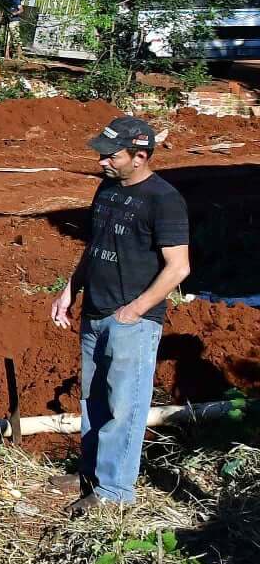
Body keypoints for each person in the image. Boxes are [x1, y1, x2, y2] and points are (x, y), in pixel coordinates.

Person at [49, 116, 190, 517]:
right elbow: (94, 246)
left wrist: (135, 310)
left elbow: (178, 267)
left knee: (123, 406)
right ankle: (90, 476)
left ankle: (113, 492)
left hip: (131, 319)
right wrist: (69, 289)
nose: (102, 162)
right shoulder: (107, 190)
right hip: (95, 310)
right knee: (93, 401)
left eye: (111, 156)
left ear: (140, 156)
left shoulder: (164, 200)